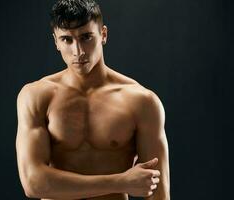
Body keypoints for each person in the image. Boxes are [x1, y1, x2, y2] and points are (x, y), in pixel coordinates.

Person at [15, 0, 170, 199]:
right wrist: (122, 181)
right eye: (67, 40)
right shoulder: (36, 96)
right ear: (55, 41)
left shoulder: (142, 101)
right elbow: (34, 183)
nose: (78, 51)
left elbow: (159, 192)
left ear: (103, 34)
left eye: (86, 37)